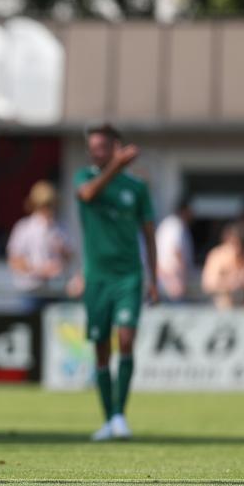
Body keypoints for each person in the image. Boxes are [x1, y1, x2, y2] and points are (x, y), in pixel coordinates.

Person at [74, 123, 157, 442]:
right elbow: (87, 194)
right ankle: (107, 418)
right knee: (100, 349)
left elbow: (149, 233)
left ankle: (120, 415)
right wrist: (114, 167)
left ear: (116, 146)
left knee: (125, 339)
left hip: (128, 276)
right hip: (96, 278)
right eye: (92, 147)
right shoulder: (84, 177)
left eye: (102, 147)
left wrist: (154, 278)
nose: (95, 152)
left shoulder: (136, 188)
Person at [7, 180, 72, 314]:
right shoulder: (24, 228)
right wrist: (39, 270)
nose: (47, 209)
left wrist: (62, 252)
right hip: (31, 290)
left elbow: (70, 256)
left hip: (56, 290)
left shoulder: (60, 227)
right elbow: (15, 260)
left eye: (50, 205)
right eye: (44, 205)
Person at [201, 222, 244, 309]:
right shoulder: (217, 256)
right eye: (234, 244)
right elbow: (208, 283)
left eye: (241, 245)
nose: (238, 249)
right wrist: (229, 282)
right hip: (223, 309)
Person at [155, 197, 194, 302]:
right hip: (171, 283)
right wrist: (178, 280)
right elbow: (176, 251)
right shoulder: (175, 225)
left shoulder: (168, 224)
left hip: (165, 280)